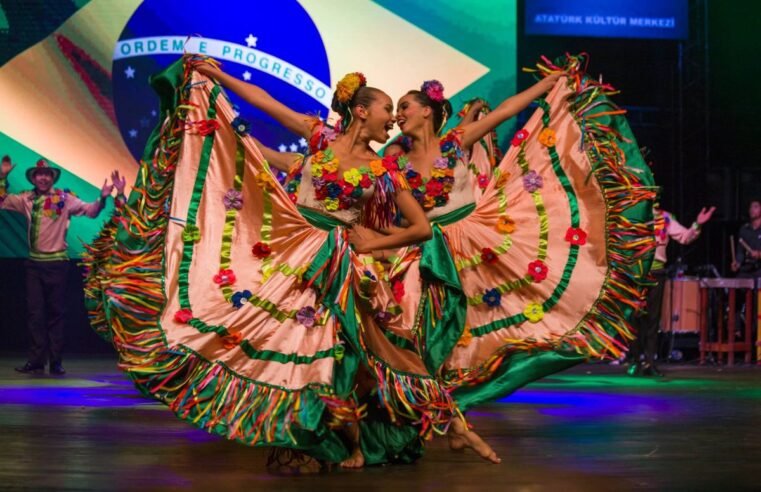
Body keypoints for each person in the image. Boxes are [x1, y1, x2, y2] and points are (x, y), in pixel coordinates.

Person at [85, 56, 480, 470]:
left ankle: (429, 424)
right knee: (286, 340)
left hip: (339, 262)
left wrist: (368, 245)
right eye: (387, 111)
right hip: (294, 252)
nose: (393, 122)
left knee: (359, 348)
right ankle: (306, 437)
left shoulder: (385, 170)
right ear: (361, 111)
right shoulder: (320, 139)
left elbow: (419, 228)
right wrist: (217, 75)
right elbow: (267, 101)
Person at [354, 54, 656, 449]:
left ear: (427, 112)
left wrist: (546, 87)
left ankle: (454, 412)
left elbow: (509, 110)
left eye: (405, 108)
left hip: (471, 244)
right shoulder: (395, 159)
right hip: (424, 249)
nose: (398, 117)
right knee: (429, 334)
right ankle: (447, 414)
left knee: (476, 331)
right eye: (395, 111)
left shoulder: (456, 141)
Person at [0, 156, 124, 375]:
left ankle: (56, 361)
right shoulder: (26, 199)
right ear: (33, 178)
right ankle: (36, 360)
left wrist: (103, 198)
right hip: (33, 265)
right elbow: (1, 200)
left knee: (56, 314)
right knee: (35, 314)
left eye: (47, 174)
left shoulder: (64, 199)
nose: (43, 178)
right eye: (39, 174)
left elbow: (91, 211)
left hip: (57, 264)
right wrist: (2, 176)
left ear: (52, 177)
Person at [628, 203, 715, 376]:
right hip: (635, 272)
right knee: (634, 317)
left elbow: (684, 236)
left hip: (656, 272)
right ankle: (635, 360)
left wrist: (697, 224)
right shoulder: (631, 215)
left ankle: (650, 362)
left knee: (653, 318)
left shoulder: (664, 217)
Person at [731, 199, 761, 277]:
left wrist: (759, 254)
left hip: (760, 268)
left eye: (756, 207)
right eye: (751, 207)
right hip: (747, 268)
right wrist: (737, 263)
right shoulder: (744, 229)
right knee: (738, 282)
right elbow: (740, 252)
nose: (752, 210)